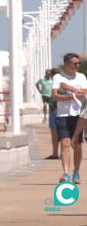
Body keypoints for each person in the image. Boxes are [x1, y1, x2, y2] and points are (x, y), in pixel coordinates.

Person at [51, 53, 87, 183]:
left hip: (78, 115)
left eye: (78, 63)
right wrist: (73, 95)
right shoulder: (58, 77)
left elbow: (85, 92)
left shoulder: (81, 77)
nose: (77, 65)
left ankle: (76, 172)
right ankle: (66, 173)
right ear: (67, 64)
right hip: (63, 115)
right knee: (65, 143)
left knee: (76, 144)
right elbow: (55, 95)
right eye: (74, 63)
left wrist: (68, 90)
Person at [45, 68, 61, 160]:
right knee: (60, 134)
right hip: (55, 111)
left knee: (55, 134)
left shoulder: (57, 85)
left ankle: (55, 154)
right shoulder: (59, 84)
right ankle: (57, 153)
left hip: (55, 111)